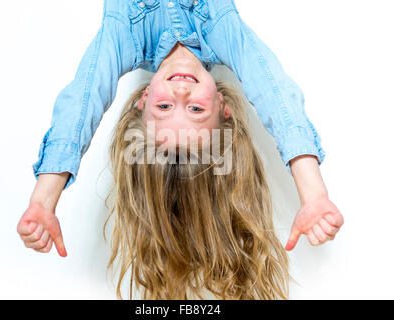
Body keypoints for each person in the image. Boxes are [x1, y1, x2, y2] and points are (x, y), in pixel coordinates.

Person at [17, 0, 344, 298]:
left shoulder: (124, 34)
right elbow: (274, 90)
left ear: (142, 100)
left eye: (163, 106)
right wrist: (312, 192)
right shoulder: (217, 26)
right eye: (196, 111)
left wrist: (43, 198)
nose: (181, 94)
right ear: (223, 105)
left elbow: (82, 100)